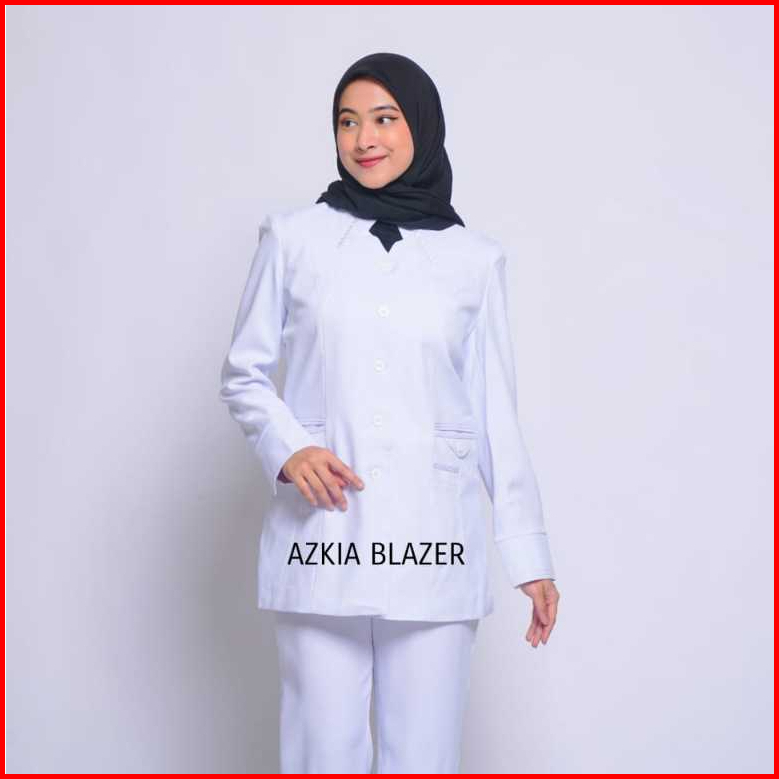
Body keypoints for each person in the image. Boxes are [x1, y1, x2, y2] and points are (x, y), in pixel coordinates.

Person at [219, 51, 561, 774]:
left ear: (422, 127)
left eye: (384, 118)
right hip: (321, 537)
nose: (363, 138)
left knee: (424, 758)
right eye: (347, 122)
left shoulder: (474, 259)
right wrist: (288, 447)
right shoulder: (292, 237)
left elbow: (494, 413)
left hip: (434, 543)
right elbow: (243, 373)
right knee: (319, 755)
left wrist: (528, 556)